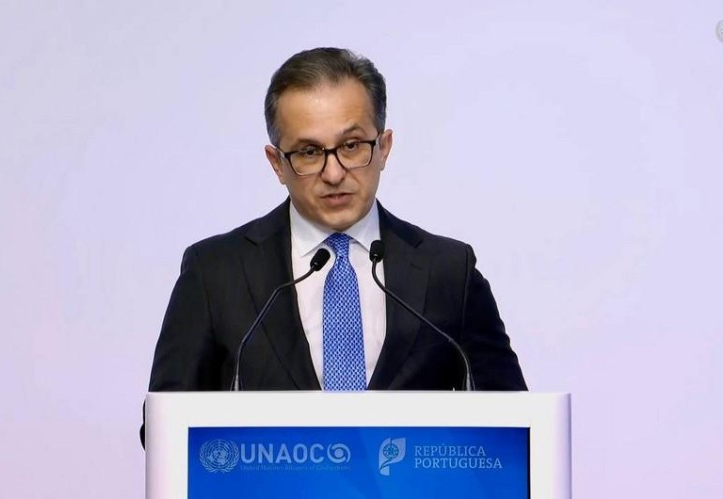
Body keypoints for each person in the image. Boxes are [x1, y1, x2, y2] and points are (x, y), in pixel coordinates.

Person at [145, 47, 525, 425]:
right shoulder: (215, 273)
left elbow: (515, 424)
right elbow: (165, 430)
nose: (333, 173)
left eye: (351, 146)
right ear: (277, 163)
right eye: (309, 152)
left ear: (384, 148)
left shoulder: (448, 271)